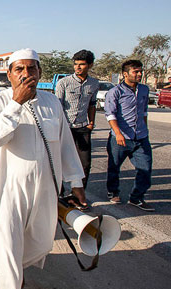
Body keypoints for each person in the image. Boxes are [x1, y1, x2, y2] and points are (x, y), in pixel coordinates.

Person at [0, 48, 86, 289]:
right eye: (19, 69)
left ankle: (15, 276)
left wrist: (76, 180)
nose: (26, 74)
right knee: (7, 248)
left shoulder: (52, 102)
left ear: (40, 72)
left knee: (39, 243)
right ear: (10, 74)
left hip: (45, 190)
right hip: (8, 190)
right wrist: (15, 104)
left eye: (32, 69)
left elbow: (65, 143)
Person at [104, 60, 153, 212]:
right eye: (135, 71)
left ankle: (136, 197)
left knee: (145, 168)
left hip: (140, 137)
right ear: (125, 74)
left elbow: (144, 111)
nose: (139, 74)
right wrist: (118, 134)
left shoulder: (144, 90)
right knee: (114, 167)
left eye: (140, 71)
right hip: (120, 137)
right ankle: (113, 192)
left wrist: (145, 129)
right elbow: (110, 115)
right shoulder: (115, 92)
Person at [55, 50, 99, 200]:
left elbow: (92, 104)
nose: (78, 67)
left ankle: (78, 195)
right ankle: (58, 193)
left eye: (82, 64)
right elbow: (57, 106)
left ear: (90, 65)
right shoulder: (64, 83)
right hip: (65, 127)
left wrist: (91, 122)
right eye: (76, 64)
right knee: (59, 161)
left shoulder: (94, 84)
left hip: (82, 127)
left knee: (84, 164)